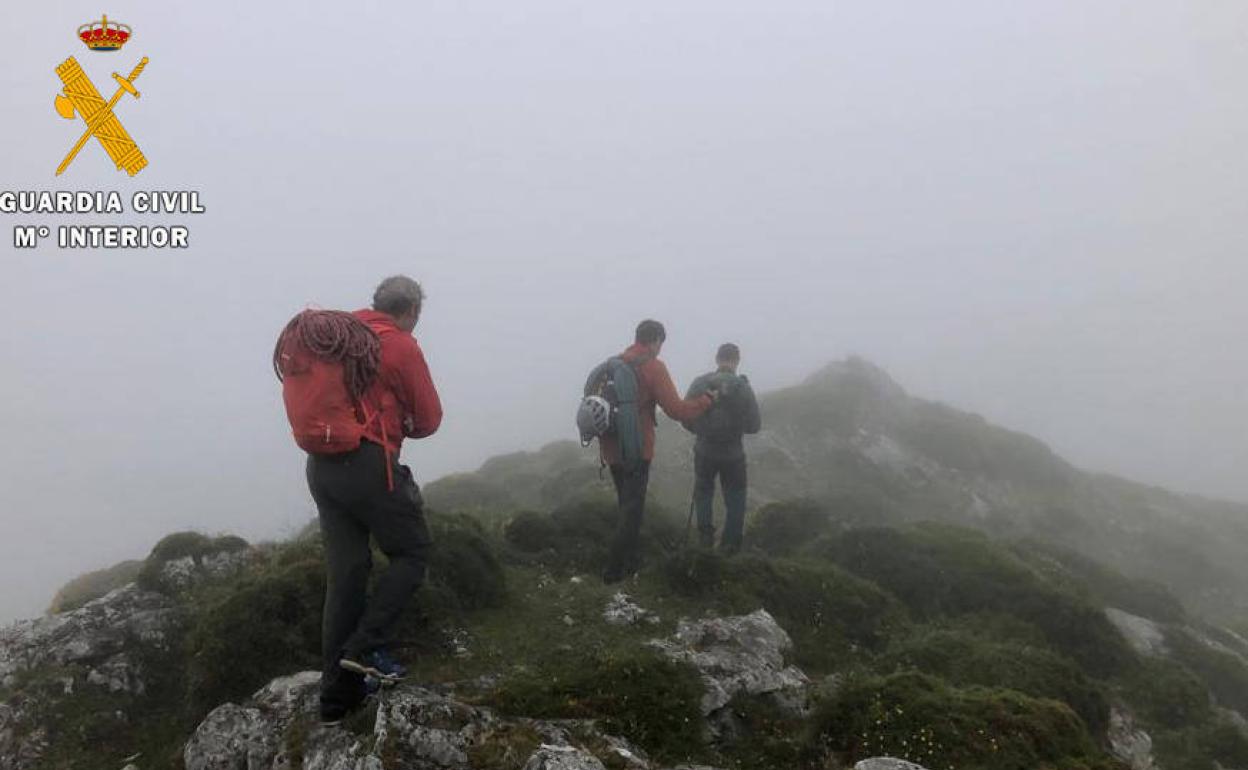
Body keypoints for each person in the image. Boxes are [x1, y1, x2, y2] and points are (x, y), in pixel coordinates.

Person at [305, 275, 442, 725]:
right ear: (411, 312)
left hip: (321, 465)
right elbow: (428, 418)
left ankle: (335, 698)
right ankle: (365, 649)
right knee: (412, 551)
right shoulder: (400, 344)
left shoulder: (338, 337)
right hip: (368, 462)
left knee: (346, 574)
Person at [600, 319, 713, 583]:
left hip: (612, 449)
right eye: (661, 343)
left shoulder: (614, 363)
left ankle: (628, 563)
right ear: (655, 341)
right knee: (632, 512)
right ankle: (614, 573)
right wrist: (706, 401)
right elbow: (677, 410)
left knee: (625, 507)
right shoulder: (653, 367)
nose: (661, 348)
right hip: (637, 449)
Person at [683, 343, 761, 552]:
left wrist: (699, 431)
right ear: (737, 361)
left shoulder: (701, 383)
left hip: (704, 451)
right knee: (735, 499)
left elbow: (686, 416)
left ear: (717, 359)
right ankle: (730, 546)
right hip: (733, 454)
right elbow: (755, 425)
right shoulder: (742, 387)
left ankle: (705, 541)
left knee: (704, 493)